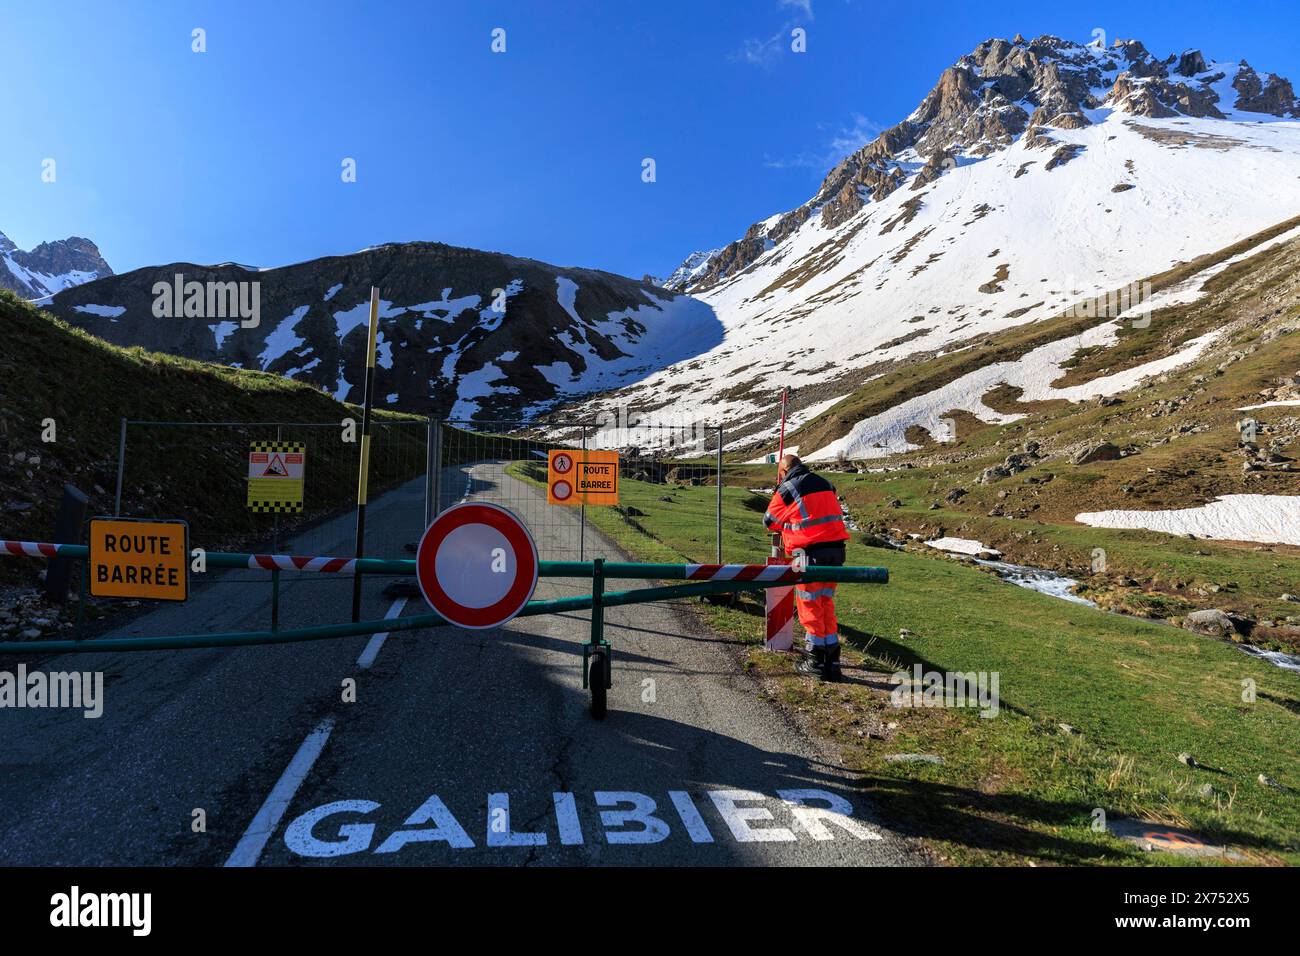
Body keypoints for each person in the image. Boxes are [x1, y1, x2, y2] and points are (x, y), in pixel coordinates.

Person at [762, 454, 849, 680]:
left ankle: (815, 661)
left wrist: (779, 496)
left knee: (809, 605)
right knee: (825, 602)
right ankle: (832, 660)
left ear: (782, 472)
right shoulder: (825, 483)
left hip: (809, 553)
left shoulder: (787, 488)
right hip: (836, 552)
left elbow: (769, 521)